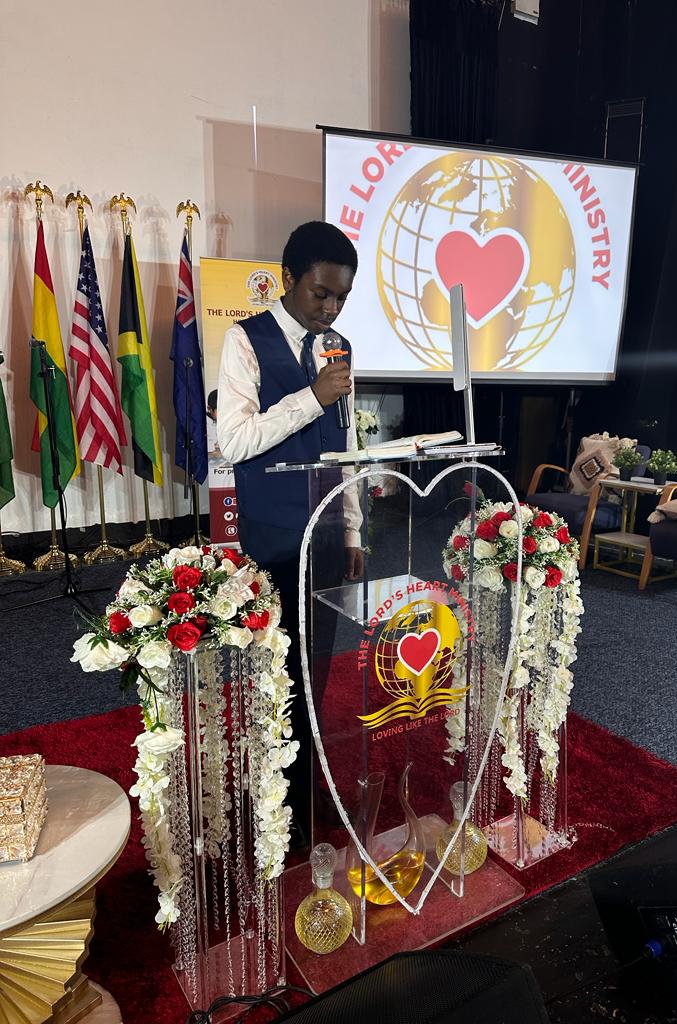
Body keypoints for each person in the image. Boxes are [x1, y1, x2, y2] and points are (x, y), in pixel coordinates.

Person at [217, 220, 364, 842]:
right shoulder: (244, 340)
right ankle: (270, 795)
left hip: (327, 533)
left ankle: (304, 787)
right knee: (275, 672)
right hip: (275, 537)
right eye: (320, 293)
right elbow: (234, 440)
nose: (330, 309)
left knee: (316, 670)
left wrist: (353, 528)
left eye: (341, 298)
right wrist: (311, 397)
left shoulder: (339, 347)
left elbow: (346, 444)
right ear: (287, 279)